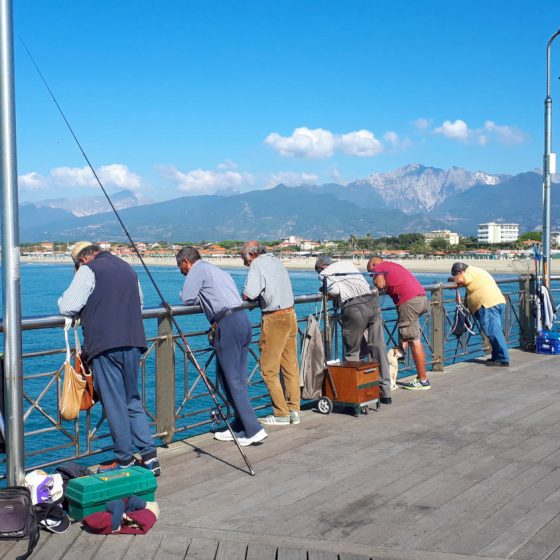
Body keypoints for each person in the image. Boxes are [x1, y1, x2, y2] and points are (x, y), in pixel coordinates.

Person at [58, 242, 160, 475]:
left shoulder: (89, 270)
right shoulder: (128, 269)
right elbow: (139, 303)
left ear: (82, 260)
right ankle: (150, 456)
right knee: (132, 400)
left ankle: (124, 459)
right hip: (134, 341)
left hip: (105, 345)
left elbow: (68, 306)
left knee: (114, 403)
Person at [176, 246, 267, 446]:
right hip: (241, 321)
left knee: (232, 379)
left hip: (227, 324)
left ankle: (253, 429)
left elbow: (186, 298)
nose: (182, 272)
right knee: (231, 377)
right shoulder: (216, 270)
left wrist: (192, 292)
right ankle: (239, 424)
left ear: (186, 262)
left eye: (180, 268)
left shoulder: (197, 270)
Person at [315, 256, 392, 404]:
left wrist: (324, 289)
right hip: (372, 303)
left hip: (354, 308)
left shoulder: (324, 273)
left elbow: (336, 290)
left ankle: (355, 396)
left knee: (352, 352)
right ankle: (385, 392)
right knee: (378, 348)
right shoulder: (347, 264)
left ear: (322, 267)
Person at [241, 241, 300, 426]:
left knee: (268, 370)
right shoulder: (276, 260)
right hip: (291, 315)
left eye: (245, 259)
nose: (245, 264)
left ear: (252, 255)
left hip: (274, 319)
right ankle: (294, 410)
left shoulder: (258, 264)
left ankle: (281, 413)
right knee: (290, 367)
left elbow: (248, 294)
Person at [367, 256, 430, 391]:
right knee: (406, 334)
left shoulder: (379, 268)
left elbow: (380, 284)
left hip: (409, 302)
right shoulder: (393, 266)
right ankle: (396, 363)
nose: (372, 276)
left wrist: (372, 285)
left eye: (372, 274)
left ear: (373, 265)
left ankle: (423, 380)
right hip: (422, 298)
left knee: (414, 340)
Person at [449, 262, 509, 366]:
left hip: (487, 304)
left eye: (455, 274)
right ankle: (496, 356)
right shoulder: (476, 271)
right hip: (495, 302)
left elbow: (460, 280)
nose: (455, 277)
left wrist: (452, 280)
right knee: (493, 331)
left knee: (493, 332)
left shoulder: (469, 273)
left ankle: (503, 359)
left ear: (460, 272)